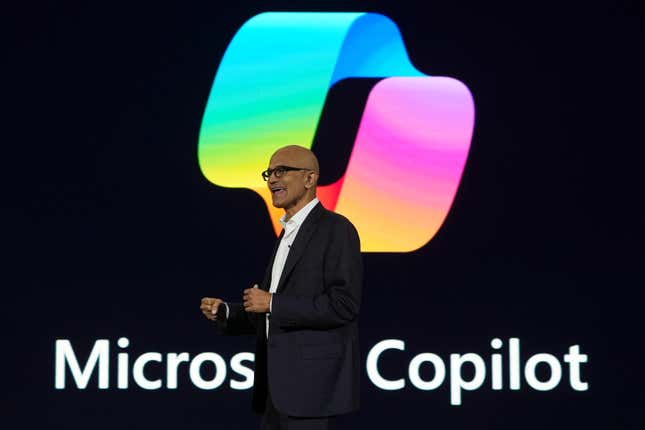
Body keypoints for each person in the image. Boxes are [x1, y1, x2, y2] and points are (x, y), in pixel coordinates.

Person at [200, 145, 363, 429]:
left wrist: (272, 303)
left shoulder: (336, 230)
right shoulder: (288, 233)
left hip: (310, 388)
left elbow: (344, 305)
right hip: (275, 389)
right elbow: (273, 312)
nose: (272, 179)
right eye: (269, 173)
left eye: (281, 171)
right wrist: (228, 313)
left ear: (310, 179)